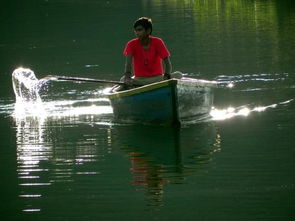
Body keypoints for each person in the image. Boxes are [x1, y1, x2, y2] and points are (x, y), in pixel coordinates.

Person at [121, 17, 175, 87]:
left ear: (148, 30)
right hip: (140, 80)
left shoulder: (158, 42)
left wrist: (166, 75)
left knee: (178, 74)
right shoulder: (131, 44)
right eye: (136, 30)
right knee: (123, 79)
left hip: (157, 79)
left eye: (140, 30)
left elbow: (168, 64)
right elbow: (128, 65)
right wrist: (127, 78)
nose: (137, 33)